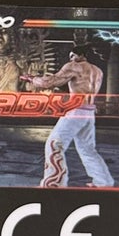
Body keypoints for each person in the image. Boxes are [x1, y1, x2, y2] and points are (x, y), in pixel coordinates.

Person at [40, 44, 114, 188]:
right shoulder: (97, 71)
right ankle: (103, 182)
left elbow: (48, 82)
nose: (71, 59)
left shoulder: (74, 66)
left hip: (76, 110)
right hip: (89, 112)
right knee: (87, 150)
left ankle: (53, 184)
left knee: (54, 144)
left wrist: (32, 79)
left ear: (80, 55)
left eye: (72, 56)